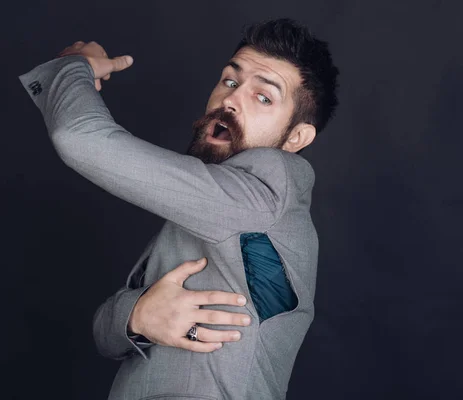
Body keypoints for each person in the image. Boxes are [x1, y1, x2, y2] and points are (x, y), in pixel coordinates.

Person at [18, 18, 338, 400]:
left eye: (263, 96)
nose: (230, 100)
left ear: (296, 137)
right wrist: (138, 315)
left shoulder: (271, 185)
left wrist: (74, 67)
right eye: (230, 81)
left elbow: (78, 137)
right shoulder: (214, 212)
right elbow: (105, 333)